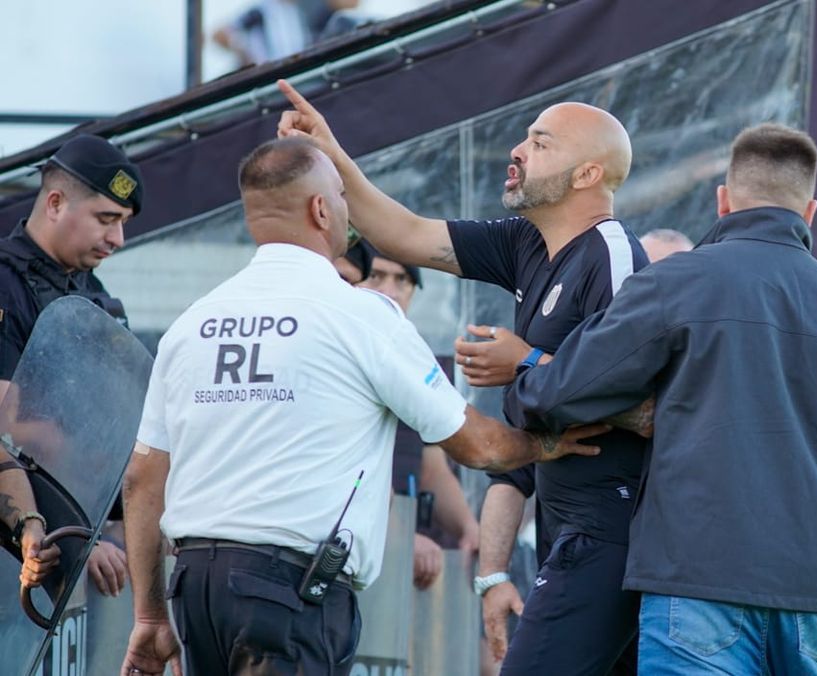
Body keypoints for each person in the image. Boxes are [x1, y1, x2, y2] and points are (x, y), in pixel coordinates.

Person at [119, 138, 605, 676]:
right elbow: (478, 445)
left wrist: (148, 613)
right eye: (342, 197)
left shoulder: (192, 323)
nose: (349, 210)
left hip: (193, 589)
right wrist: (550, 442)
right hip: (287, 596)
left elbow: (142, 477)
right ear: (320, 209)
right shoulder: (358, 314)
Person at [507, 122, 817, 674]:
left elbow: (557, 396)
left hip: (695, 588)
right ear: (810, 212)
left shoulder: (675, 283)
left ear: (722, 200)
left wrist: (526, 365)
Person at [275, 80, 652, 675]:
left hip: (609, 530)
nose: (518, 151)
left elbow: (643, 397)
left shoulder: (611, 251)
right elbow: (406, 235)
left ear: (586, 175)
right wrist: (331, 153)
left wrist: (523, 362)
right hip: (563, 529)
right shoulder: (527, 241)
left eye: (540, 143)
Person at [0, 134, 142, 598]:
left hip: (80, 539)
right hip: (26, 544)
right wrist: (81, 532)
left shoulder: (92, 294)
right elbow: (10, 429)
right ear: (56, 203)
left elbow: (120, 425)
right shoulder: (5, 283)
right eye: (107, 219)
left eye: (122, 222)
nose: (118, 238)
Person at [336, 242, 481, 590]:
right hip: (345, 552)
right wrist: (400, 537)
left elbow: (432, 467)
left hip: (408, 571)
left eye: (403, 280)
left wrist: (469, 527)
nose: (391, 291)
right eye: (377, 276)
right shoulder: (337, 351)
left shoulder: (419, 361)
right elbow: (348, 470)